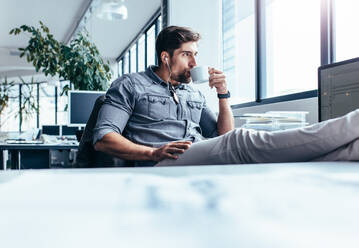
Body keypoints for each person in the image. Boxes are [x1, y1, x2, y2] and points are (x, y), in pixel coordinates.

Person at [94, 25, 359, 167]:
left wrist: (223, 95)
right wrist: (153, 152)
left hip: (197, 153)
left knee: (240, 143)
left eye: (195, 54)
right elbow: (104, 138)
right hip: (163, 162)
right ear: (166, 57)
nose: (194, 62)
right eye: (187, 54)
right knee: (241, 141)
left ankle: (352, 150)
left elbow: (221, 134)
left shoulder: (191, 93)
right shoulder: (130, 85)